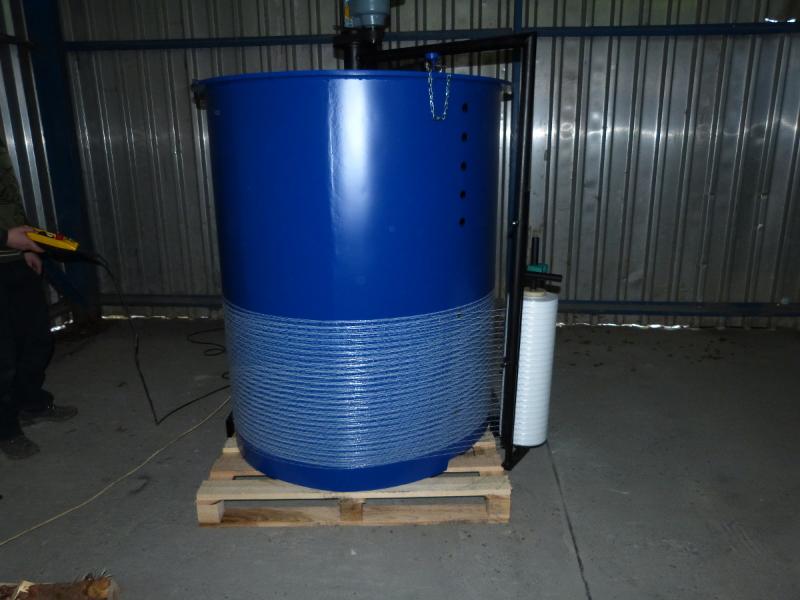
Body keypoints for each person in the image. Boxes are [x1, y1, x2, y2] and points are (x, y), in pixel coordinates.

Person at [0, 138, 77, 460]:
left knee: (36, 340)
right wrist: (5, 238)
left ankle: (31, 402)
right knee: (3, 358)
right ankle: (7, 429)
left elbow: (9, 198)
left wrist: (26, 247)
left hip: (14, 259)